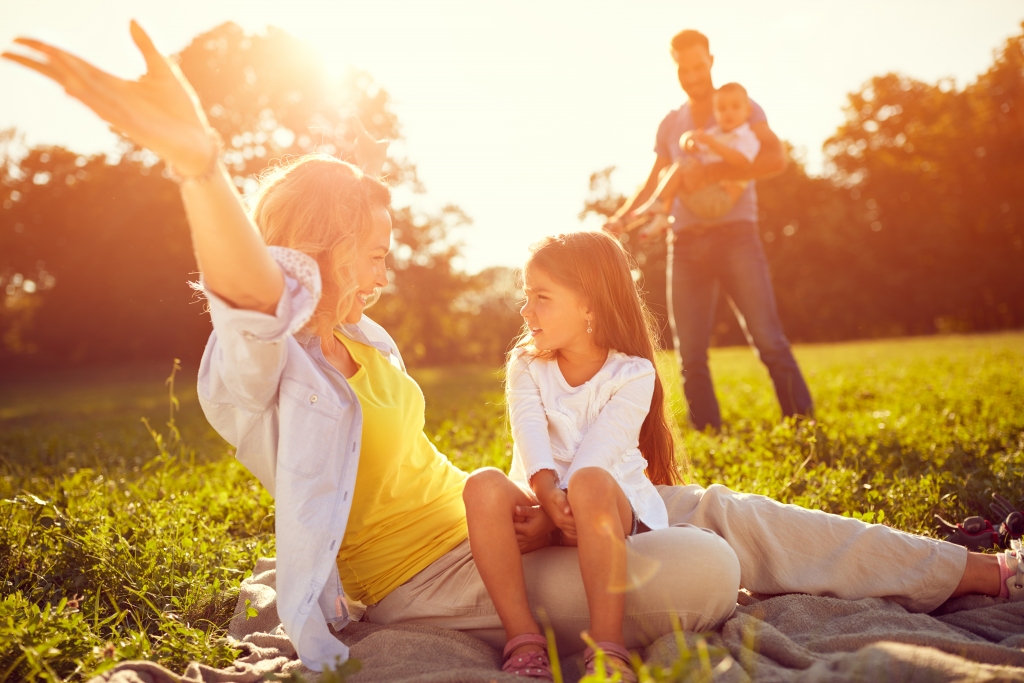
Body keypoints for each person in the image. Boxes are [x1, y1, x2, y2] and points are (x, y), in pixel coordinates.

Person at [6, 22, 1019, 677]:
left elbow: (447, 472)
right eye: (372, 252)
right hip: (434, 584)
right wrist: (199, 169)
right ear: (315, 250)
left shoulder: (364, 339)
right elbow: (250, 294)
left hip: (498, 527)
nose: (385, 272)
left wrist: (538, 512)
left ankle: (979, 576)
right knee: (707, 567)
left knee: (717, 509)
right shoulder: (268, 372)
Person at [463, 232, 680, 681]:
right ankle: (523, 640)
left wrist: (553, 517)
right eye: (526, 296)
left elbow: (599, 452)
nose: (526, 311)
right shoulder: (525, 364)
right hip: (543, 495)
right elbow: (529, 434)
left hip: (606, 504)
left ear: (590, 307)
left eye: (541, 297)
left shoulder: (633, 374)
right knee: (481, 483)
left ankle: (607, 650)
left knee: (588, 481)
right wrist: (544, 499)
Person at [606, 30, 814, 432]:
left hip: (736, 235)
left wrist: (715, 169)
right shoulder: (671, 122)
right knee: (690, 353)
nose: (692, 74)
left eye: (699, 65)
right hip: (683, 242)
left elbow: (775, 159)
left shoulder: (740, 105)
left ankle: (801, 425)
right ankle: (709, 432)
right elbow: (654, 181)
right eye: (684, 68)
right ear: (676, 69)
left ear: (711, 62)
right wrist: (621, 217)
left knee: (768, 339)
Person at [634, 82, 762, 237]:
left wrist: (712, 144)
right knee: (666, 172)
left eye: (735, 107)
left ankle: (658, 202)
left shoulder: (747, 138)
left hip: (720, 199)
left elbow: (741, 162)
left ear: (748, 111)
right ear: (715, 113)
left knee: (680, 166)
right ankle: (664, 216)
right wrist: (690, 141)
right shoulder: (716, 133)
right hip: (704, 191)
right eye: (722, 109)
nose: (729, 112)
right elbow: (692, 142)